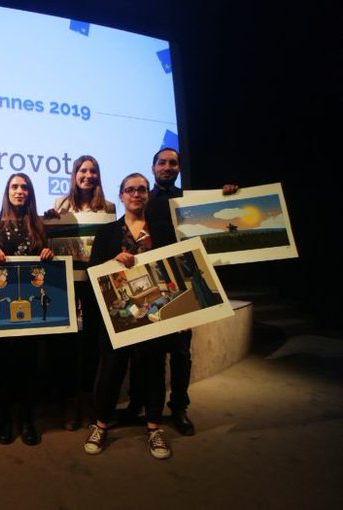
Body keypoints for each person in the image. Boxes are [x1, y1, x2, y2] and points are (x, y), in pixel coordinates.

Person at [122, 147, 238, 437]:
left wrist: (228, 195)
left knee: (181, 352)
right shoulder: (143, 201)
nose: (167, 167)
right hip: (150, 285)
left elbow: (215, 221)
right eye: (162, 162)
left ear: (178, 168)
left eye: (173, 163)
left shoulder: (190, 201)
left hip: (183, 282)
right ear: (153, 167)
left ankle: (179, 409)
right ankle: (139, 404)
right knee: (145, 352)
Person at [85, 172, 172, 459]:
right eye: (131, 190)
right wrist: (112, 262)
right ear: (121, 195)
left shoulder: (163, 231)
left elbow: (175, 270)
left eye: (142, 190)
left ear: (148, 195)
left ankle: (154, 427)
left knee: (153, 370)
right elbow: (92, 272)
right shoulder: (108, 233)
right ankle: (100, 424)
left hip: (156, 313)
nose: (137, 194)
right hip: (117, 316)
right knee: (111, 370)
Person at [0, 172, 54, 446]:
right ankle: (3, 419)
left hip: (32, 307)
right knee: (2, 364)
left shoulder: (39, 225)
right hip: (1, 304)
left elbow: (47, 261)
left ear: (30, 193)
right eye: (14, 186)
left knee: (28, 364)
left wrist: (48, 254)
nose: (19, 191)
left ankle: (26, 420)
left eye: (24, 187)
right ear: (7, 191)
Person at [44, 155, 115, 431]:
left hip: (94, 285)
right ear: (74, 175)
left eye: (93, 171)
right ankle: (68, 403)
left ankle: (87, 401)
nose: (88, 175)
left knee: (91, 346)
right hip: (66, 284)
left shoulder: (108, 207)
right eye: (83, 170)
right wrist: (49, 223)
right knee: (66, 346)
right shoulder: (59, 206)